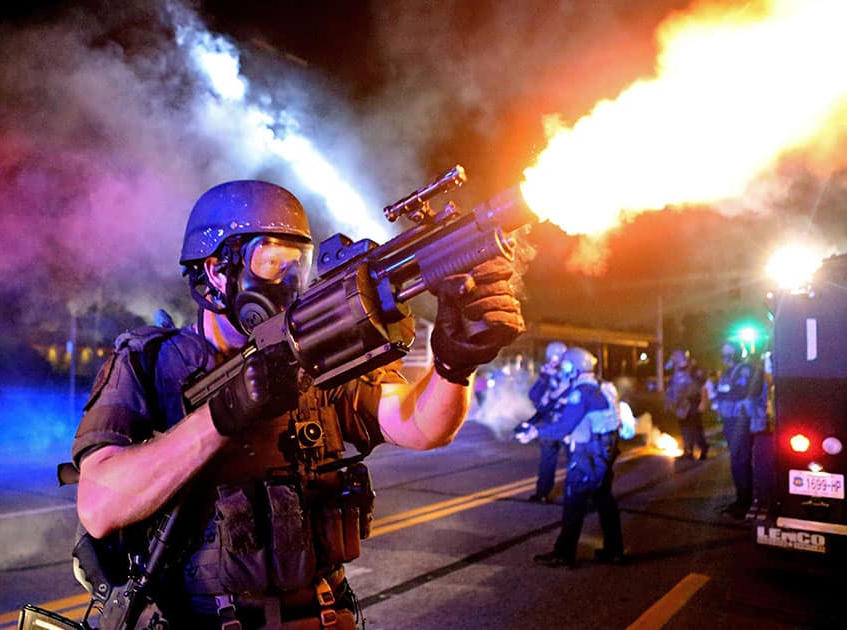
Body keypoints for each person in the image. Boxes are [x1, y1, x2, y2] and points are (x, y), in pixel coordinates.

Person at [70, 180, 526, 629]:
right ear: (215, 270)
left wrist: (453, 365)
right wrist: (223, 415)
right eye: (271, 263)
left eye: (298, 265)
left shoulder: (313, 356)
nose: (288, 282)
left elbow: (421, 427)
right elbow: (99, 507)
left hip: (322, 617)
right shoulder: (150, 362)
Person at [518, 347, 624, 568]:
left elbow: (565, 426)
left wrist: (535, 432)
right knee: (604, 499)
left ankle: (564, 553)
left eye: (566, 365)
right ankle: (614, 550)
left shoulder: (581, 392)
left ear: (573, 366)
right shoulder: (600, 386)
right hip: (603, 451)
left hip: (589, 454)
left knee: (574, 501)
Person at [715, 342, 767, 518]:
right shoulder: (729, 372)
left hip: (741, 421)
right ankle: (741, 499)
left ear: (737, 353)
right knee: (737, 462)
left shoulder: (745, 369)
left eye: (729, 353)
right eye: (724, 353)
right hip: (731, 421)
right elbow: (721, 393)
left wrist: (725, 399)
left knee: (741, 461)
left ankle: (744, 503)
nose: (726, 357)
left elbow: (742, 391)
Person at [523, 341, 570, 502]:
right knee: (547, 460)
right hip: (551, 421)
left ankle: (581, 495)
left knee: (576, 460)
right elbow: (534, 396)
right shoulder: (547, 373)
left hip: (567, 423)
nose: (555, 362)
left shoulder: (570, 373)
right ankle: (542, 493)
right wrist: (544, 377)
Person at [663, 349, 709, 460]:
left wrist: (703, 401)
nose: (674, 359)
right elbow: (671, 388)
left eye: (676, 356)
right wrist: (669, 402)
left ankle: (703, 447)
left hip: (692, 402)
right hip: (681, 405)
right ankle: (688, 451)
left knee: (695, 428)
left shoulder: (693, 370)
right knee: (685, 428)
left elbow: (704, 386)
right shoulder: (675, 371)